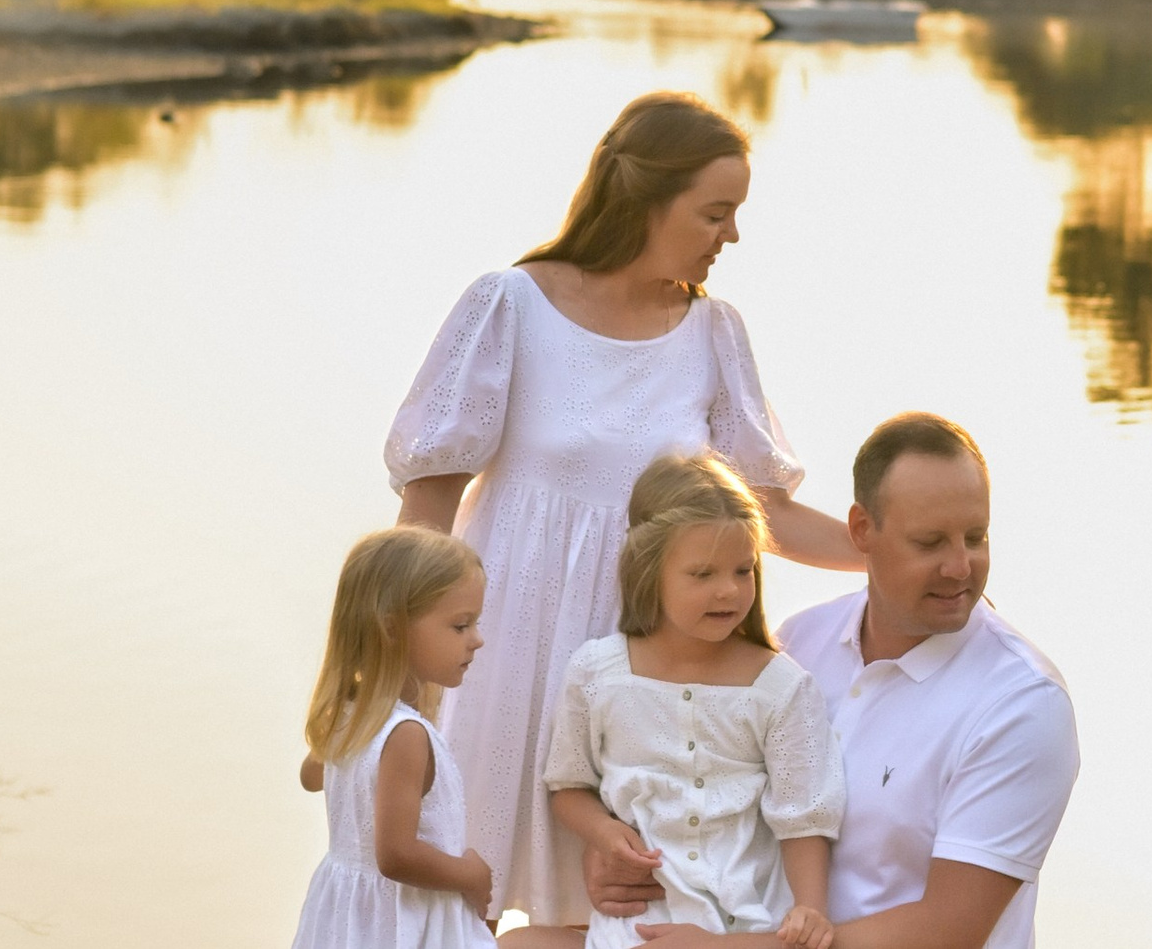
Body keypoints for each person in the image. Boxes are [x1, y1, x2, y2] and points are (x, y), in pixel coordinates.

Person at [385, 92, 860, 931]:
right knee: (464, 905)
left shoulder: (713, 333)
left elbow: (766, 515)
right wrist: (385, 677)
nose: (732, 236)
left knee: (618, 917)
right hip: (504, 655)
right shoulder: (510, 305)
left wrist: (891, 557)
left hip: (641, 682)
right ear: (647, 198)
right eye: (717, 212)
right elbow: (428, 501)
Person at [609, 414, 1081, 949]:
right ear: (861, 531)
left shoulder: (1022, 704)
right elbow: (710, 798)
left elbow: (949, 931)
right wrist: (625, 859)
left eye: (976, 538)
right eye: (930, 543)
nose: (959, 567)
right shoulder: (796, 643)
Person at [500, 453, 845, 949]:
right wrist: (601, 832)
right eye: (702, 575)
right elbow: (569, 785)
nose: (728, 590)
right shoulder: (597, 672)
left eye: (743, 570)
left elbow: (804, 816)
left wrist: (811, 909)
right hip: (632, 925)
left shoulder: (780, 687)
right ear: (649, 571)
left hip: (741, 928)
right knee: (516, 942)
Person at [289, 527, 497, 949]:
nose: (477, 639)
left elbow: (311, 776)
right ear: (392, 629)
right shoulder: (406, 735)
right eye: (460, 626)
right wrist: (471, 874)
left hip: (349, 919)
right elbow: (396, 855)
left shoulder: (351, 717)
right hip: (407, 921)